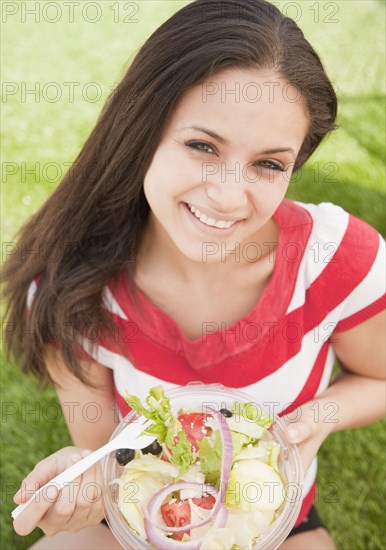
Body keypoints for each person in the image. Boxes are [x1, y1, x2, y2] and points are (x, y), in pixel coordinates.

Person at [3, 0, 385, 548]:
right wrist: (80, 483)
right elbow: (101, 454)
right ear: (141, 133)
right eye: (202, 146)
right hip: (140, 521)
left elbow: (380, 376)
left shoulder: (337, 260)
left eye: (268, 164)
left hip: (276, 524)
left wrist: (318, 416)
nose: (229, 197)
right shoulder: (73, 288)